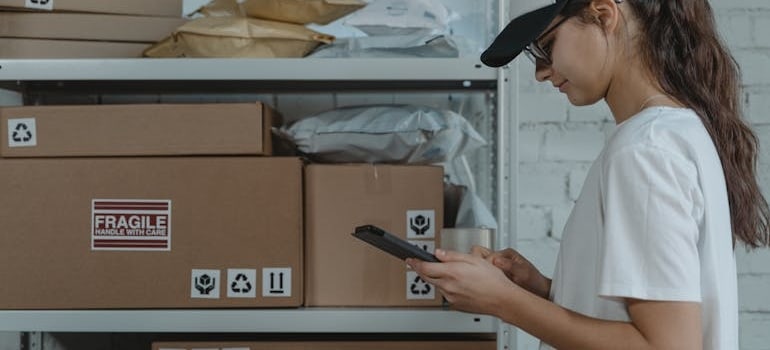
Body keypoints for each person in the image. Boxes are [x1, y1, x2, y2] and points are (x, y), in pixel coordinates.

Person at [407, 0, 770, 349]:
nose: (540, 72)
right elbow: (654, 318)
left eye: (547, 46)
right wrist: (543, 289)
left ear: (603, 14)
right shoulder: (675, 133)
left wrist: (503, 300)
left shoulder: (645, 151)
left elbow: (667, 346)